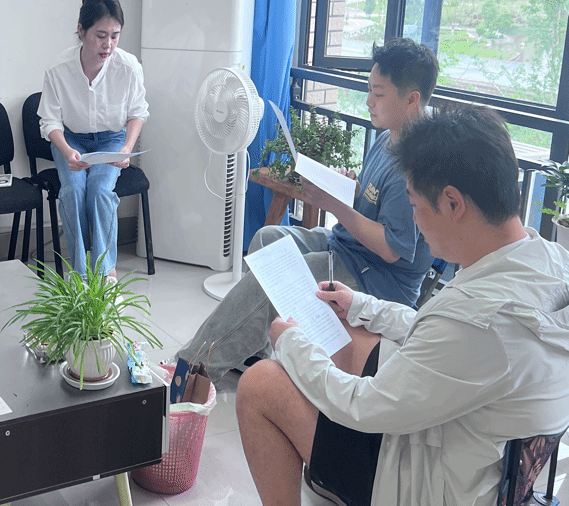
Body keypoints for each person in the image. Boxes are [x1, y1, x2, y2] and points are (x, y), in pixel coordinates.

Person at [202, 104, 569, 506]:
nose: (414, 222)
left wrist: (289, 343)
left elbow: (365, 407)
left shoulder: (477, 322)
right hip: (485, 471)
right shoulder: (544, 258)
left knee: (262, 383)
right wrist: (363, 305)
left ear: (453, 202)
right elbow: (442, 337)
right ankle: (332, 481)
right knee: (345, 328)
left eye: (415, 206)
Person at [177, 37, 439, 383]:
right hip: (348, 247)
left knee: (279, 273)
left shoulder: (416, 163)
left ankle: (190, 372)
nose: (368, 101)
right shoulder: (386, 137)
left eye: (378, 93)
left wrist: (332, 204)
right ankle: (259, 348)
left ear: (411, 99)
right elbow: (373, 201)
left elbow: (391, 249)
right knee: (268, 239)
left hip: (376, 276)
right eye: (369, 90)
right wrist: (347, 186)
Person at [37, 0, 149, 279]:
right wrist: (66, 151)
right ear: (81, 30)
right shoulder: (59, 69)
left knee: (99, 191)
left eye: (115, 36)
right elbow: (49, 121)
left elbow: (137, 112)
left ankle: (106, 272)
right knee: (73, 192)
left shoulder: (128, 67)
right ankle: (81, 274)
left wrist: (126, 148)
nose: (108, 44)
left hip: (112, 139)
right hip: (71, 139)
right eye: (100, 35)